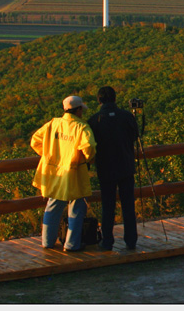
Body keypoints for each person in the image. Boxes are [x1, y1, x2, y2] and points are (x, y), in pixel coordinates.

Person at [30, 95, 97, 251]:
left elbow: (35, 140)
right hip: (74, 173)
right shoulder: (81, 127)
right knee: (77, 208)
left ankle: (47, 242)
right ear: (78, 110)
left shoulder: (53, 124)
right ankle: (72, 244)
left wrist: (48, 154)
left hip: (53, 172)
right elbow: (89, 148)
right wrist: (88, 159)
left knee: (52, 206)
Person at [87, 86, 140, 251]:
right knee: (128, 206)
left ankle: (107, 241)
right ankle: (131, 241)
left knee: (107, 206)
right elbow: (135, 136)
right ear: (115, 99)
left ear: (99, 100)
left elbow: (91, 146)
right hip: (126, 166)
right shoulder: (127, 117)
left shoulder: (94, 120)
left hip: (106, 169)